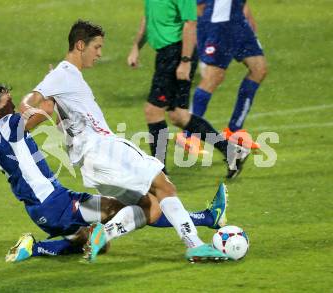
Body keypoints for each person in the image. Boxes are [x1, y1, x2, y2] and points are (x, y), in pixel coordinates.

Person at [22, 20, 237, 262]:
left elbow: (55, 113)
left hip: (91, 165)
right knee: (164, 186)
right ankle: (195, 245)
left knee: (151, 208)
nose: (100, 54)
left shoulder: (64, 78)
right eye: (97, 47)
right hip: (104, 149)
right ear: (80, 45)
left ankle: (104, 234)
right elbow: (33, 97)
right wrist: (23, 111)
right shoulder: (63, 74)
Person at [0, 70, 229, 262]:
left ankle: (38, 247)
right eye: (7, 100)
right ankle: (205, 219)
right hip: (53, 203)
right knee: (141, 206)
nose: (12, 102)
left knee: (90, 240)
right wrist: (54, 86)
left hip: (46, 204)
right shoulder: (9, 125)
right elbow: (41, 112)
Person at [127, 0, 250, 174]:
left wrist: (184, 61)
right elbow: (148, 17)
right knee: (179, 115)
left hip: (177, 52)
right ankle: (231, 151)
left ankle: (160, 175)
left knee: (153, 111)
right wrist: (136, 47)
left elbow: (190, 23)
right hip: (167, 53)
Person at [190, 0, 267, 149]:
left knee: (259, 69)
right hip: (220, 24)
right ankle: (190, 133)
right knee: (214, 76)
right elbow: (199, 7)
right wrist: (203, 32)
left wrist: (247, 16)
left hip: (238, 22)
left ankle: (234, 130)